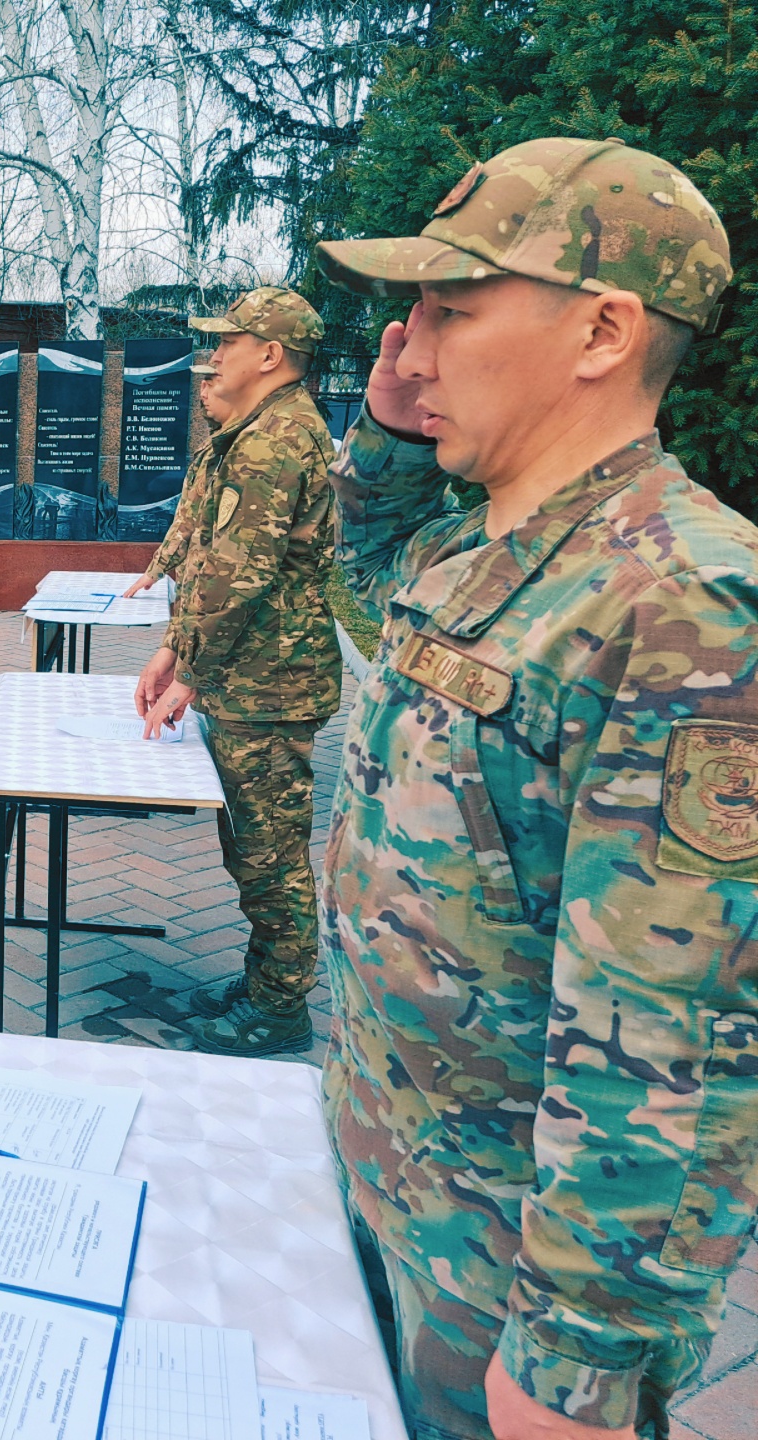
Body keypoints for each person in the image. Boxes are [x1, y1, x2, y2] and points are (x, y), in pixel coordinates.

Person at [315, 136, 750, 1440]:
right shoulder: (474, 540)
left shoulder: (687, 606)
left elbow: (682, 1046)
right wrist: (391, 435)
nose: (413, 340)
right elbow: (366, 583)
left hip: (506, 1280)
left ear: (603, 331)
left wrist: (573, 1366)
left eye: (454, 307)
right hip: (394, 1176)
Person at [130, 285, 343, 1057]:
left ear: (270, 354)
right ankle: (262, 984)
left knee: (270, 855)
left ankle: (281, 1010)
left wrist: (187, 668)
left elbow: (237, 572)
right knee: (250, 846)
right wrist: (173, 649)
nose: (215, 357)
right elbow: (214, 562)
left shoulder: (277, 440)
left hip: (270, 681)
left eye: (228, 342)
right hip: (253, 675)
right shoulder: (260, 429)